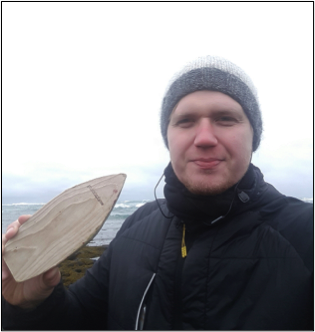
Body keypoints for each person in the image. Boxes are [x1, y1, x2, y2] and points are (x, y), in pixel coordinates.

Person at [2, 56, 313, 330]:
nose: (204, 137)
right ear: (168, 137)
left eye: (225, 119)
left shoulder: (304, 236)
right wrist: (32, 305)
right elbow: (78, 319)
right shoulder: (136, 226)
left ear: (253, 135)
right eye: (185, 121)